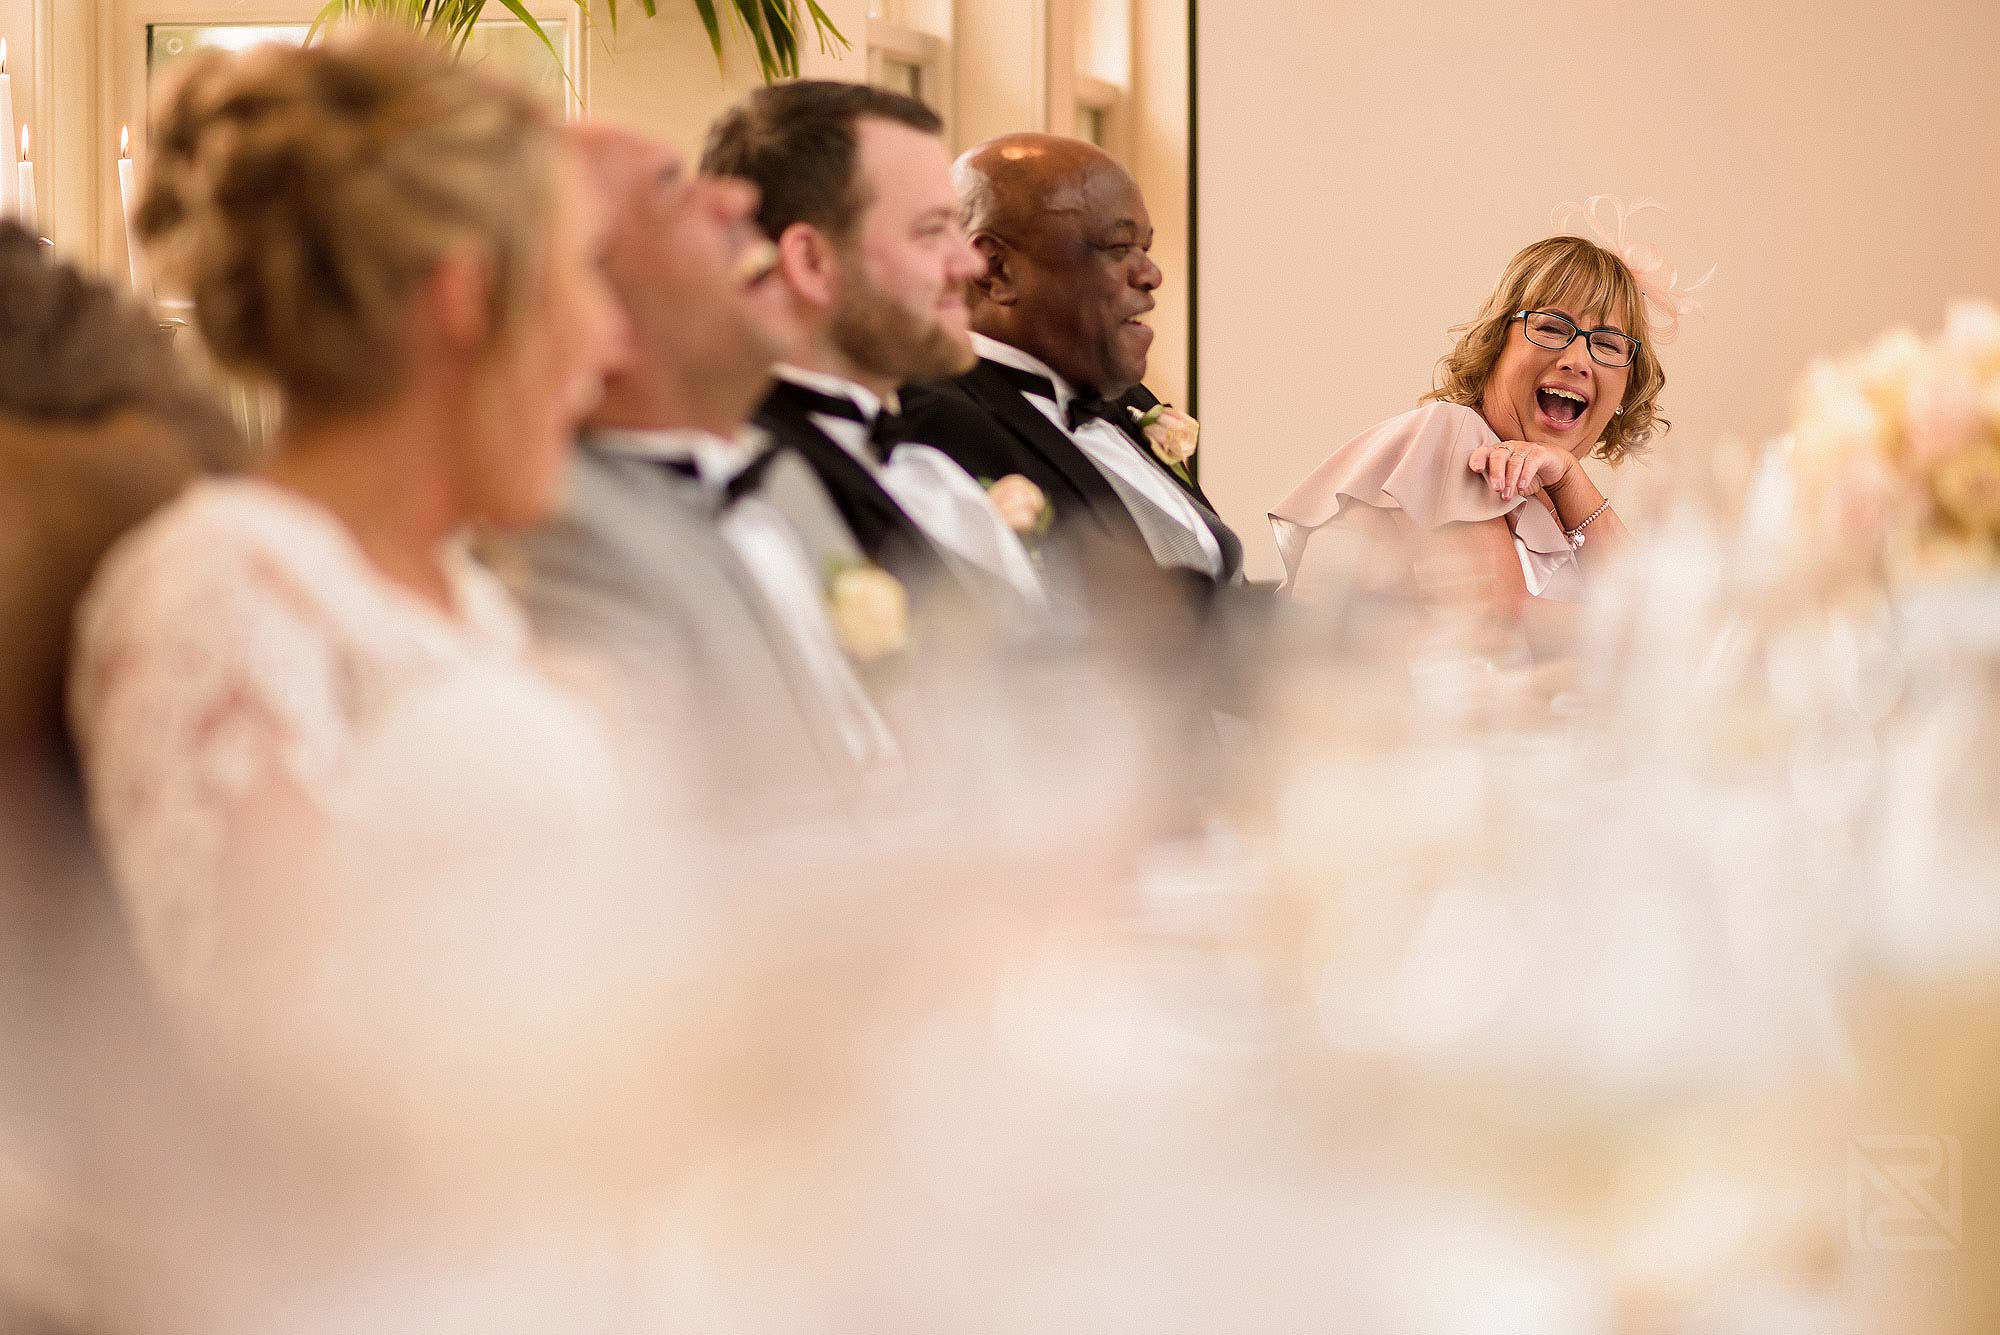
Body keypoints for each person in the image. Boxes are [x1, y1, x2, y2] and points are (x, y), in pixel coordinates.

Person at [67, 30, 630, 1010]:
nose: (609, 338)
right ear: (465, 295)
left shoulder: (453, 586)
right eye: (583, 275)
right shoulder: (220, 591)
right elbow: (265, 1054)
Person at [511, 124, 906, 800]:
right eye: (671, 190)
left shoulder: (776, 472)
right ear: (587, 298)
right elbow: (684, 854)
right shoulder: (563, 537)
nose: (735, 197)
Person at [700, 82, 1049, 619]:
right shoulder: (740, 490)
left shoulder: (929, 455)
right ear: (812, 262)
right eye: (931, 232)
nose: (971, 265)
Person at [1269, 224, 1679, 656]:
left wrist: (1571, 480)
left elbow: (1656, 610)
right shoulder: (1452, 434)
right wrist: (1662, 641)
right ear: (1496, 343)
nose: (1576, 360)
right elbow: (1499, 631)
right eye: (1552, 328)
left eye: (1609, 345)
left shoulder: (1555, 504)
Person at [900, 132, 1244, 590]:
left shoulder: (1126, 401)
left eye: (1146, 249)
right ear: (996, 270)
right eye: (1118, 249)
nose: (1151, 275)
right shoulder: (937, 422)